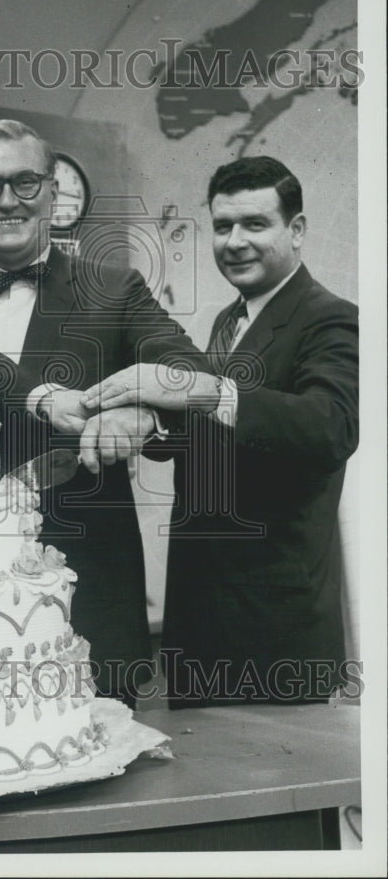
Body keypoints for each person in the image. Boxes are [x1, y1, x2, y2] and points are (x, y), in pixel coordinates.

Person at [0, 119, 214, 702]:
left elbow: (194, 374)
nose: (7, 200)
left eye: (24, 182)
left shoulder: (114, 288)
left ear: (53, 192)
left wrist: (141, 413)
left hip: (86, 602)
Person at [83, 155, 359, 705]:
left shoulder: (333, 317)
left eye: (255, 224)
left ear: (297, 230)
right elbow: (215, 432)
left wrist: (200, 389)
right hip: (200, 622)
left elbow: (330, 427)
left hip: (274, 631)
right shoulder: (227, 321)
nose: (235, 242)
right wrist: (146, 421)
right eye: (223, 226)